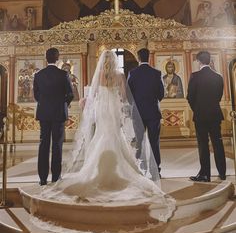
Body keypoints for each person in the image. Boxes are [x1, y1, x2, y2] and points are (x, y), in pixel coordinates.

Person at [38, 50, 175, 222]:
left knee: (101, 136)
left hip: (102, 111)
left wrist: (86, 104)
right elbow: (125, 97)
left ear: (103, 61)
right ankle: (124, 169)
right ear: (115, 61)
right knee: (115, 136)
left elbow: (91, 96)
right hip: (114, 111)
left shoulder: (99, 75)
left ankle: (94, 169)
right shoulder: (120, 76)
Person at [33, 48, 74, 185]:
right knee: (57, 145)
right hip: (58, 114)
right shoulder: (63, 74)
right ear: (57, 59)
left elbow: (36, 95)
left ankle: (42, 179)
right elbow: (70, 94)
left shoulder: (38, 74)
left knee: (43, 144)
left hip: (44, 113)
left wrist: (45, 103)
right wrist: (63, 104)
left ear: (46, 58)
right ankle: (56, 177)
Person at [187, 51, 226, 182]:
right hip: (215, 114)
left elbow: (190, 97)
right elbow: (219, 96)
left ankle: (205, 175)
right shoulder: (218, 77)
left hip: (200, 116)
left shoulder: (195, 76)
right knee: (218, 143)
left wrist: (197, 110)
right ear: (209, 61)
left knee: (203, 145)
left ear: (199, 62)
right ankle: (222, 172)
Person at [127, 48, 164, 174]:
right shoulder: (157, 73)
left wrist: (135, 104)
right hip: (153, 112)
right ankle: (155, 171)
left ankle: (141, 169)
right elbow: (161, 94)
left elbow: (128, 94)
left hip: (138, 114)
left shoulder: (133, 73)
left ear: (138, 58)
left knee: (139, 141)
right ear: (149, 57)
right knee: (154, 142)